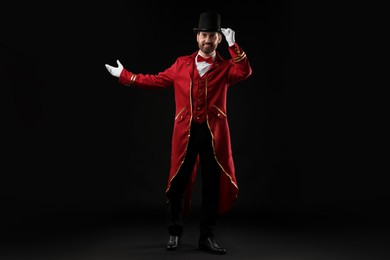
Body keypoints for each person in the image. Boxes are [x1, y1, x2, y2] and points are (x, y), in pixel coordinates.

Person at [105, 11, 252, 255]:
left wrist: (234, 45)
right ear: (197, 38)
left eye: (213, 36)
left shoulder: (226, 68)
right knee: (177, 184)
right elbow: (155, 80)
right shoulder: (181, 64)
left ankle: (207, 236)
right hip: (185, 133)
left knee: (211, 187)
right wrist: (126, 76)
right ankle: (174, 233)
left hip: (214, 136)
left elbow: (245, 72)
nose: (207, 40)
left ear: (218, 39)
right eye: (204, 35)